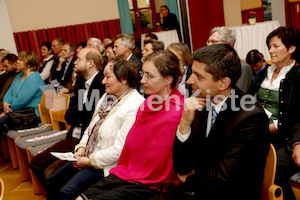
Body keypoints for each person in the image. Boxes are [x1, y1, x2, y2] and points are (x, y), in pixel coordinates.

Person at [161, 44, 270, 200]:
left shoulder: (250, 117)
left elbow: (224, 179)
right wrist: (184, 124)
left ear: (223, 83)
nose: (190, 80)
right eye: (192, 72)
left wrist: (189, 180)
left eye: (198, 76)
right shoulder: (201, 102)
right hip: (202, 188)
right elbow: (182, 166)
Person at [76, 50, 184, 200]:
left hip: (151, 181)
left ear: (168, 79)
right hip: (127, 170)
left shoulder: (178, 110)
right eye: (143, 75)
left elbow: (161, 156)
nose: (142, 81)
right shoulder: (147, 104)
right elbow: (132, 145)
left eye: (149, 76)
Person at [46, 58, 144, 200]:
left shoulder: (135, 105)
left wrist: (89, 160)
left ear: (123, 79)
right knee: (53, 180)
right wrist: (81, 148)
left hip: (107, 164)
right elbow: (90, 129)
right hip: (89, 155)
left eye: (108, 77)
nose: (103, 81)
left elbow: (119, 150)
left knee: (66, 193)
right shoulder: (106, 97)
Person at [30, 47, 105, 191]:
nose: (75, 62)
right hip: (71, 137)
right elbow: (68, 117)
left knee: (51, 173)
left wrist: (78, 110)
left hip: (84, 142)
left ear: (90, 63)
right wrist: (79, 110)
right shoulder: (82, 83)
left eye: (79, 59)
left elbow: (89, 116)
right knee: (36, 163)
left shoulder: (101, 84)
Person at [248, 26, 300, 200]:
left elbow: (294, 117)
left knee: (271, 173)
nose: (270, 51)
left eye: (276, 46)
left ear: (291, 48)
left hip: (285, 139)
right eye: (269, 46)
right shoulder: (264, 73)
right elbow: (248, 101)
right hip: (258, 133)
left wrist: (262, 129)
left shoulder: (297, 77)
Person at [0, 51, 45, 127]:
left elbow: (21, 101)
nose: (16, 62)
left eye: (20, 60)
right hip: (17, 112)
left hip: (30, 115)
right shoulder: (20, 75)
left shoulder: (34, 79)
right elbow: (9, 92)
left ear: (28, 64)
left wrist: (6, 112)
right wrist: (5, 103)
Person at [207, 26, 253, 93]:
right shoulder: (210, 65)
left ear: (228, 44)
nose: (209, 45)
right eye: (208, 41)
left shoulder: (243, 68)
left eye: (213, 41)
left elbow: (238, 96)